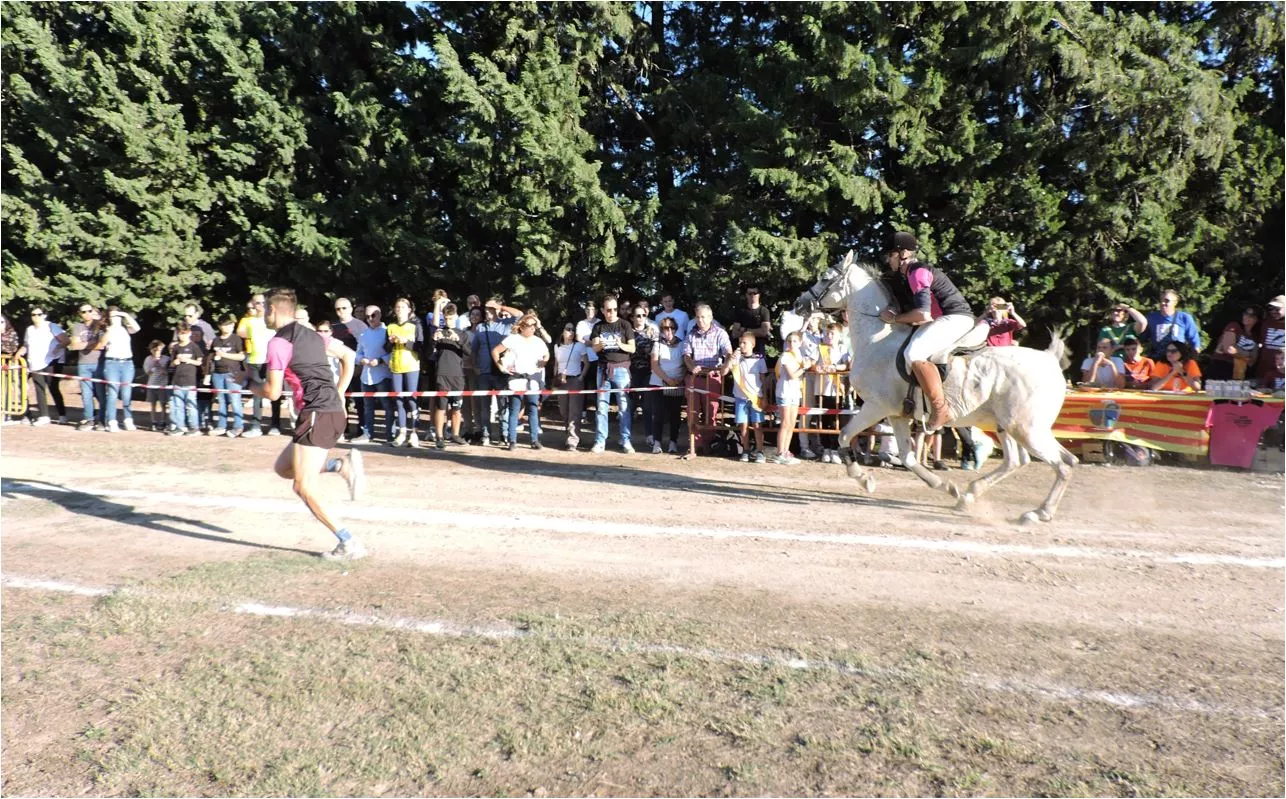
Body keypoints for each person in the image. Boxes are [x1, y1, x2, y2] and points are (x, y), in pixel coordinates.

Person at [249, 288, 366, 561]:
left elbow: (273, 392)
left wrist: (249, 383)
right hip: (326, 412)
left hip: (318, 413)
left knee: (303, 486)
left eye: (263, 308)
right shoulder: (314, 335)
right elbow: (349, 356)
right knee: (284, 468)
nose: (261, 313)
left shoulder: (278, 343)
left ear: (275, 310)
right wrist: (339, 392)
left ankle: (348, 542)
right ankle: (340, 465)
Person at [879, 231, 974, 431]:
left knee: (913, 353)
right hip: (946, 319)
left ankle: (941, 409)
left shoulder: (918, 272)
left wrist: (894, 318)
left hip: (954, 318)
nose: (888, 260)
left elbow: (923, 315)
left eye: (891, 255)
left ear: (903, 253)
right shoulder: (909, 275)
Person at [493, 312, 550, 450]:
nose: (533, 328)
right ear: (522, 326)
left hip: (532, 380)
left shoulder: (538, 340)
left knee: (532, 410)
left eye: (534, 325)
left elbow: (546, 354)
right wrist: (501, 367)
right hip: (517, 380)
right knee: (514, 410)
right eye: (530, 325)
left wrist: (544, 362)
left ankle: (534, 440)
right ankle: (512, 440)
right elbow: (495, 351)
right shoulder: (513, 339)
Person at [682, 303, 732, 454]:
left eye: (703, 317)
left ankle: (708, 444)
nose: (700, 320)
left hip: (713, 377)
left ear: (710, 317)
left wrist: (727, 365)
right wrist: (691, 366)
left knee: (711, 412)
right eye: (697, 317)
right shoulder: (690, 334)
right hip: (695, 377)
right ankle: (694, 446)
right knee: (692, 412)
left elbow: (728, 352)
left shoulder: (720, 333)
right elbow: (686, 355)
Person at [589, 295, 636, 453]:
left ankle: (625, 440)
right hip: (603, 369)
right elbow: (594, 348)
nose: (612, 312)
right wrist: (600, 345)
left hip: (622, 369)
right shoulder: (598, 327)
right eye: (608, 310)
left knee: (624, 407)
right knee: (602, 407)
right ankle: (600, 441)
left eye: (615, 309)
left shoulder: (625, 324)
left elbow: (632, 348)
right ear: (602, 310)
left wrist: (619, 344)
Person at [472, 300, 516, 445]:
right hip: (484, 372)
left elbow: (520, 315)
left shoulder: (506, 325)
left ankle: (503, 434)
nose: (489, 312)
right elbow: (474, 350)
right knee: (485, 407)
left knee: (503, 406)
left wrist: (501, 307)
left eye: (492, 309)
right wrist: (475, 366)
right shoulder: (479, 328)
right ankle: (486, 434)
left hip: (501, 371)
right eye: (487, 309)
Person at [237, 293, 281, 437]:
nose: (260, 305)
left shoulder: (274, 320)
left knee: (275, 393)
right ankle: (256, 426)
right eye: (257, 303)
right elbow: (240, 333)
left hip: (271, 361)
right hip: (254, 360)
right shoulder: (249, 321)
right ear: (253, 305)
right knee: (257, 393)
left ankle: (275, 424)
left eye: (263, 302)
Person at [17, 305, 68, 425]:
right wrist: (19, 353)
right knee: (39, 388)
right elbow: (26, 344)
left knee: (53, 388)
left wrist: (58, 348)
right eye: (33, 315)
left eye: (39, 314)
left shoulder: (51, 326)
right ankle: (44, 416)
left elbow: (66, 340)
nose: (36, 317)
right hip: (35, 362)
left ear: (44, 315)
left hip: (52, 361)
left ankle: (62, 414)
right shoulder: (29, 329)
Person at [723, 330, 767, 463]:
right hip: (740, 397)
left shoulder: (759, 359)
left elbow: (763, 379)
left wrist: (764, 397)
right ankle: (745, 450)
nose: (741, 345)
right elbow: (724, 372)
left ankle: (760, 451)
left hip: (755, 397)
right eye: (740, 343)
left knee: (757, 425)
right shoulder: (737, 359)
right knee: (743, 426)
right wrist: (731, 359)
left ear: (752, 344)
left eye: (744, 343)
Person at [431, 303, 470, 450]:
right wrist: (434, 339)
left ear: (456, 317)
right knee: (441, 407)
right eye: (446, 319)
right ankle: (439, 436)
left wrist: (457, 340)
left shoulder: (462, 333)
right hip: (442, 373)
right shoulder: (438, 332)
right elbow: (428, 353)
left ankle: (455, 434)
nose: (448, 322)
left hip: (457, 375)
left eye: (451, 318)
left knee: (457, 407)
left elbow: (468, 353)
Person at [353, 304, 393, 444]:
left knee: (387, 405)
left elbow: (393, 353)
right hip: (366, 375)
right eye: (367, 316)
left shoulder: (387, 331)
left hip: (383, 374)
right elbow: (358, 353)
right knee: (367, 407)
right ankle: (368, 433)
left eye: (373, 315)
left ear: (380, 315)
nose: (370, 319)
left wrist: (381, 360)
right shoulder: (364, 334)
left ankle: (390, 435)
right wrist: (361, 360)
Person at [813, 322, 852, 464]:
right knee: (823, 419)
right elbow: (813, 363)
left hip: (837, 389)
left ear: (839, 336)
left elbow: (846, 365)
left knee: (836, 419)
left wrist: (834, 367)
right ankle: (825, 449)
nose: (829, 336)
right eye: (827, 333)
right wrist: (816, 367)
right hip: (821, 389)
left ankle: (835, 449)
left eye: (832, 334)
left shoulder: (843, 348)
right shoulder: (819, 348)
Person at [772, 330, 814, 465]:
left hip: (795, 392)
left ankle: (785, 451)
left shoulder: (800, 355)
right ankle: (780, 452)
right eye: (789, 341)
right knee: (784, 423)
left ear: (800, 343)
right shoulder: (785, 356)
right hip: (784, 392)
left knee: (791, 424)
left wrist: (808, 364)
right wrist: (805, 368)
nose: (792, 343)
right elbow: (792, 375)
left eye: (795, 341)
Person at [385, 298, 421, 448]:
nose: (399, 309)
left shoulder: (415, 325)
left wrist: (405, 341)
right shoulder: (391, 326)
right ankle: (402, 433)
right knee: (398, 400)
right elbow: (386, 348)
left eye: (403, 307)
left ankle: (414, 433)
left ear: (409, 310)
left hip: (411, 365)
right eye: (397, 307)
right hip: (395, 366)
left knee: (412, 400)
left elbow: (420, 346)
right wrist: (391, 341)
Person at [648, 316, 686, 454]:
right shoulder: (657, 344)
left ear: (675, 329)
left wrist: (679, 379)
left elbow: (685, 364)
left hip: (677, 384)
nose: (668, 331)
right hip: (659, 383)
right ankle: (657, 442)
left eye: (671, 328)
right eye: (665, 328)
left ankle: (673, 442)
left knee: (675, 415)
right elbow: (654, 365)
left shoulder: (682, 344)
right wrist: (667, 379)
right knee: (658, 414)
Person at [101, 306, 140, 432]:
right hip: (112, 363)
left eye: (117, 316)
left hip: (127, 363)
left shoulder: (125, 328)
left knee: (126, 393)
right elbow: (102, 343)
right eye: (112, 316)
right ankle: (112, 420)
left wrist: (125, 315)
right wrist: (110, 329)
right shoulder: (107, 329)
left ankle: (128, 419)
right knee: (112, 393)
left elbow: (137, 328)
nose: (115, 318)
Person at [68, 303, 106, 430]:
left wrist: (83, 344)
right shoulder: (77, 327)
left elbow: (100, 345)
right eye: (83, 312)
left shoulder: (100, 326)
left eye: (89, 311)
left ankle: (102, 419)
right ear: (80, 314)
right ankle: (89, 419)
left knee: (100, 392)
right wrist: (91, 344)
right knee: (86, 394)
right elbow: (74, 345)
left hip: (98, 363)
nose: (87, 314)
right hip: (83, 363)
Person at [208, 315, 247, 436]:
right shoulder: (216, 340)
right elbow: (210, 357)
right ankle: (221, 425)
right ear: (220, 326)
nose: (229, 327)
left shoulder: (236, 339)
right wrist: (208, 373)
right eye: (226, 325)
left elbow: (242, 356)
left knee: (235, 400)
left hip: (233, 373)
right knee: (221, 401)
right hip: (218, 374)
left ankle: (238, 426)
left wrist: (224, 355)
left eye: (231, 325)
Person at [554, 322, 590, 450]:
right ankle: (570, 436)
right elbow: (556, 364)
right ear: (562, 331)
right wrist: (556, 379)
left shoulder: (579, 346)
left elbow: (586, 363)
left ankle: (573, 440)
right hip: (562, 382)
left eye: (573, 330)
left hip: (575, 380)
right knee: (564, 411)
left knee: (574, 412)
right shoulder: (557, 347)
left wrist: (581, 377)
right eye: (568, 329)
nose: (571, 332)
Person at [628, 304, 658, 447]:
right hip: (632, 371)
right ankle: (626, 436)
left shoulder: (652, 331)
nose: (641, 318)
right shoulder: (627, 332)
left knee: (647, 406)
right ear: (632, 317)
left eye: (643, 315)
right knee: (630, 405)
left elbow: (656, 351)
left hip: (648, 372)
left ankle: (649, 435)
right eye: (638, 315)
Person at [1144, 290, 1201, 360]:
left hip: (1178, 359)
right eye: (1161, 300)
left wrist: (1194, 360)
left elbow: (1194, 341)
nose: (1162, 303)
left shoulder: (1184, 318)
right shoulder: (1151, 318)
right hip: (1159, 359)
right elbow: (1142, 339)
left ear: (1175, 302)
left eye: (1166, 300)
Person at [1208, 305, 1261, 381]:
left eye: (1251, 316)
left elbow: (1252, 361)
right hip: (1222, 365)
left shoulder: (1256, 337)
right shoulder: (1233, 326)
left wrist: (1237, 350)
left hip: (1240, 371)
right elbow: (1228, 348)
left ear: (1257, 319)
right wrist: (1247, 354)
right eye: (1245, 314)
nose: (1247, 317)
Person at [167, 323, 203, 435]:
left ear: (189, 333)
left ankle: (194, 427)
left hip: (190, 380)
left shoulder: (194, 346)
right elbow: (171, 363)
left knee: (191, 405)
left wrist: (189, 361)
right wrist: (175, 362)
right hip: (177, 381)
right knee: (178, 406)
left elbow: (199, 361)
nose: (182, 336)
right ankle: (180, 427)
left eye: (185, 333)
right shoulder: (176, 347)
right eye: (180, 334)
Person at [731, 285, 772, 356]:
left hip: (759, 347)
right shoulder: (740, 311)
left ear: (759, 295)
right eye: (750, 293)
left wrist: (744, 330)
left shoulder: (764, 311)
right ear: (746, 295)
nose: (752, 295)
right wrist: (756, 331)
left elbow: (764, 332)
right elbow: (735, 333)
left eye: (754, 293)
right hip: (742, 347)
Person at [1256, 295, 1285, 387]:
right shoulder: (1266, 323)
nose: (1273, 311)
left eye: (1277, 309)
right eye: (1271, 308)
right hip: (1264, 371)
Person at [143, 340, 170, 430]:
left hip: (163, 384)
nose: (157, 352)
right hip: (152, 384)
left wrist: (160, 366)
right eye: (155, 350)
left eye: (159, 350)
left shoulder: (166, 359)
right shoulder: (148, 359)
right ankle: (154, 421)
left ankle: (163, 421)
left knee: (163, 404)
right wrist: (154, 366)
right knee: (153, 404)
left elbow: (167, 372)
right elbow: (148, 372)